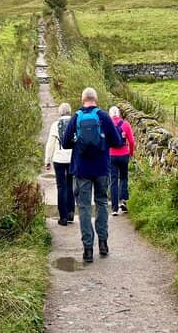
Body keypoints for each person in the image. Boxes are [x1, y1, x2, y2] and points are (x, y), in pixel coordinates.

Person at [60, 87, 124, 263]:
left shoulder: (76, 117)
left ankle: (88, 249)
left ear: (82, 100)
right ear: (96, 100)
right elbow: (117, 141)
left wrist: (77, 142)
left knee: (85, 207)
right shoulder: (103, 116)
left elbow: (65, 143)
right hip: (102, 168)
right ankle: (103, 244)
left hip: (82, 169)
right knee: (102, 203)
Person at [44, 102, 75, 226]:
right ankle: (71, 212)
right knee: (70, 185)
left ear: (60, 112)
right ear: (69, 111)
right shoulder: (74, 123)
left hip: (58, 159)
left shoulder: (55, 125)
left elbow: (50, 144)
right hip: (72, 158)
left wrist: (47, 160)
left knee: (61, 186)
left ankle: (63, 217)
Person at [107, 106, 135, 216]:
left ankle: (114, 208)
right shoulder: (126, 124)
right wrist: (131, 153)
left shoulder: (107, 125)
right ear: (119, 114)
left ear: (110, 114)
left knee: (113, 180)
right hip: (124, 155)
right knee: (124, 177)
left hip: (111, 155)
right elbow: (132, 141)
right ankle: (123, 201)